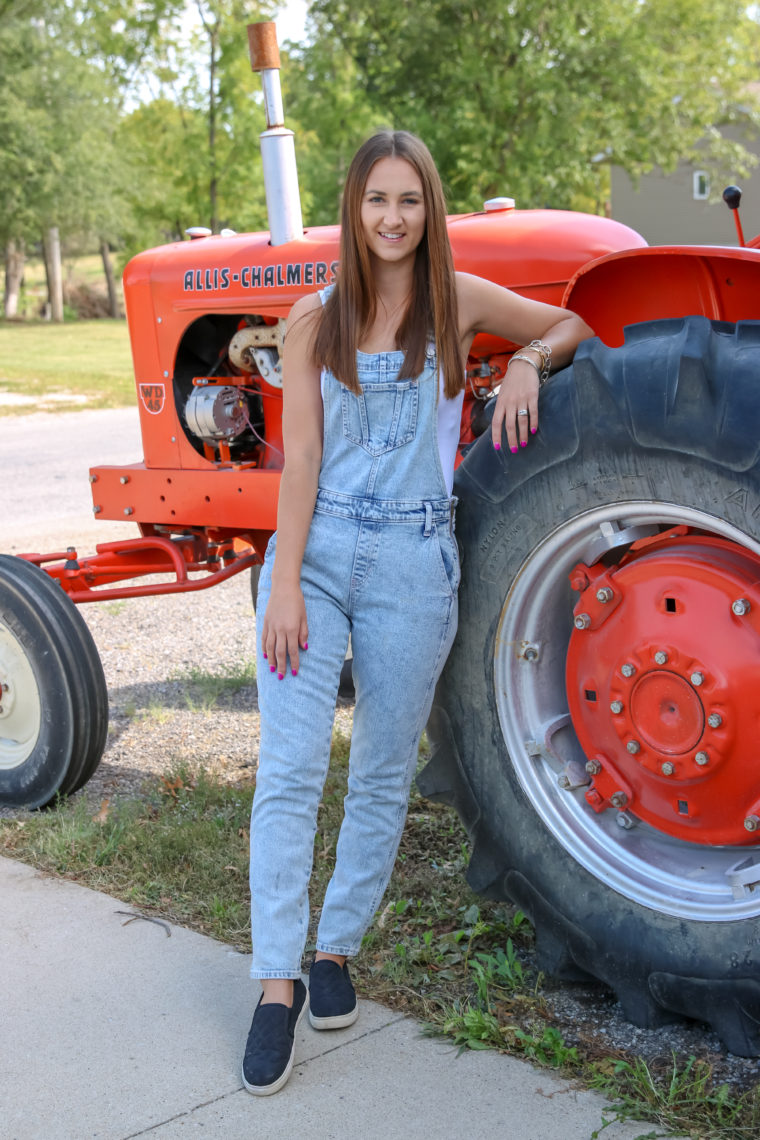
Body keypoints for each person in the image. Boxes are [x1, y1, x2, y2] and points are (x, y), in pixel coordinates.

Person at [242, 129, 594, 1096]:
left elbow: (573, 328)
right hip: (313, 558)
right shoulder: (312, 317)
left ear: (428, 210)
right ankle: (276, 982)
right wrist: (280, 585)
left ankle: (335, 951)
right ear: (351, 211)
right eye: (375, 201)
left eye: (409, 201)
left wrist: (525, 361)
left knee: (384, 771)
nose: (392, 218)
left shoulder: (458, 301)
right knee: (292, 768)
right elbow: (302, 461)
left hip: (413, 558)